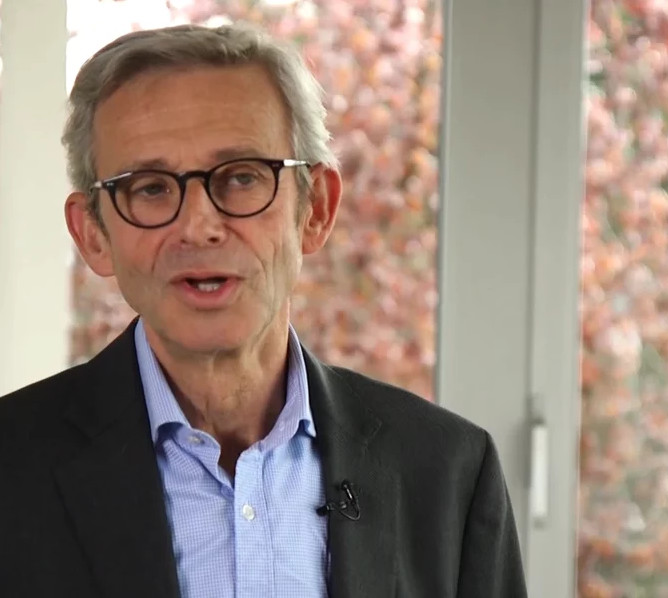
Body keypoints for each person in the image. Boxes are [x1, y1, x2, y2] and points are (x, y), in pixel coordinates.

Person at [0, 24, 527, 598]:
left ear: (315, 209)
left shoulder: (448, 471)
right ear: (92, 235)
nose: (199, 227)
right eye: (150, 188)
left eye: (241, 178)